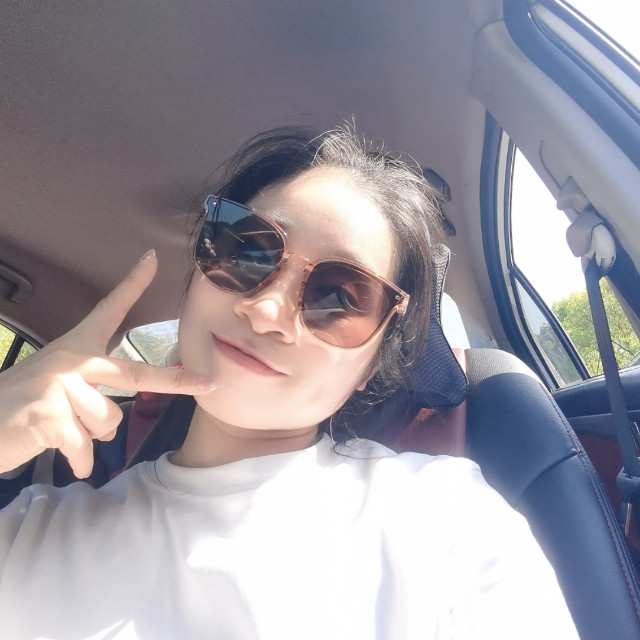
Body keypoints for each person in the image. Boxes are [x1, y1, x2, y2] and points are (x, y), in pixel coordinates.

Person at [0, 126, 578, 639]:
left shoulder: (448, 524)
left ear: (372, 364)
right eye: (246, 250)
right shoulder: (28, 531)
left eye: (338, 297)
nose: (266, 311)